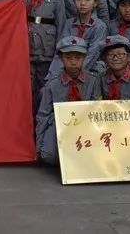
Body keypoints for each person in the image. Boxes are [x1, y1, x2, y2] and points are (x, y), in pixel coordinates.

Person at [35, 36, 103, 165]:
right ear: (61, 59)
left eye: (77, 58)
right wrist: (38, 146)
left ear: (84, 58)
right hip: (60, 125)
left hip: (86, 124)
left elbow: (98, 108)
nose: (73, 62)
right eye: (68, 58)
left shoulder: (93, 81)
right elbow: (43, 115)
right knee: (48, 156)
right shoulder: (52, 84)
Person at [14, 0, 66, 109]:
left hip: (48, 49)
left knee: (44, 90)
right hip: (26, 49)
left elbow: (61, 22)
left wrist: (59, 51)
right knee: (25, 91)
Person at [54, 0, 107, 74]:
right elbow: (61, 48)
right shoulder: (68, 23)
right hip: (68, 66)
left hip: (89, 69)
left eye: (87, 0)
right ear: (74, 1)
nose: (82, 3)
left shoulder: (100, 26)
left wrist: (76, 73)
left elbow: (93, 54)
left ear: (95, 3)